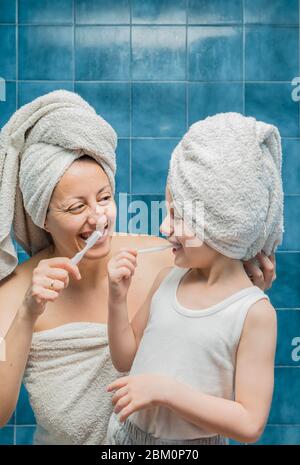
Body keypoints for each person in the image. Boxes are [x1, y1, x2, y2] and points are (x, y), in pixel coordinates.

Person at [0, 93, 276, 445]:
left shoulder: (170, 259)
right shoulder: (12, 294)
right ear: (42, 216)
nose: (98, 219)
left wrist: (248, 284)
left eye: (104, 198)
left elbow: (224, 314)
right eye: (74, 207)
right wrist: (27, 314)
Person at [105, 112, 283, 445]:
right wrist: (116, 297)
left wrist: (165, 391)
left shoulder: (253, 313)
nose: (164, 228)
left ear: (222, 225)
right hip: (128, 440)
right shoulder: (166, 280)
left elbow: (249, 423)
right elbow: (124, 358)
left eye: (177, 216)